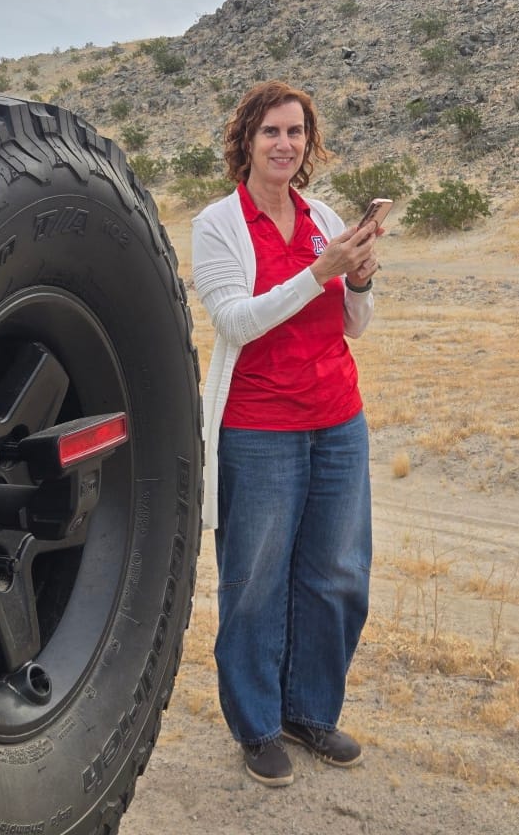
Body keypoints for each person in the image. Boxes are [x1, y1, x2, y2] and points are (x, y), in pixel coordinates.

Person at [191, 80, 380, 788]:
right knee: (253, 582)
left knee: (335, 575)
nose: (283, 143)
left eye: (295, 132)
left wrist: (355, 279)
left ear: (308, 142)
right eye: (270, 131)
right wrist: (316, 271)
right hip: (258, 427)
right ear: (245, 139)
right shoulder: (218, 223)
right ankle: (257, 726)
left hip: (336, 420)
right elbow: (234, 321)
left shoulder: (321, 215)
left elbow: (352, 326)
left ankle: (309, 712)